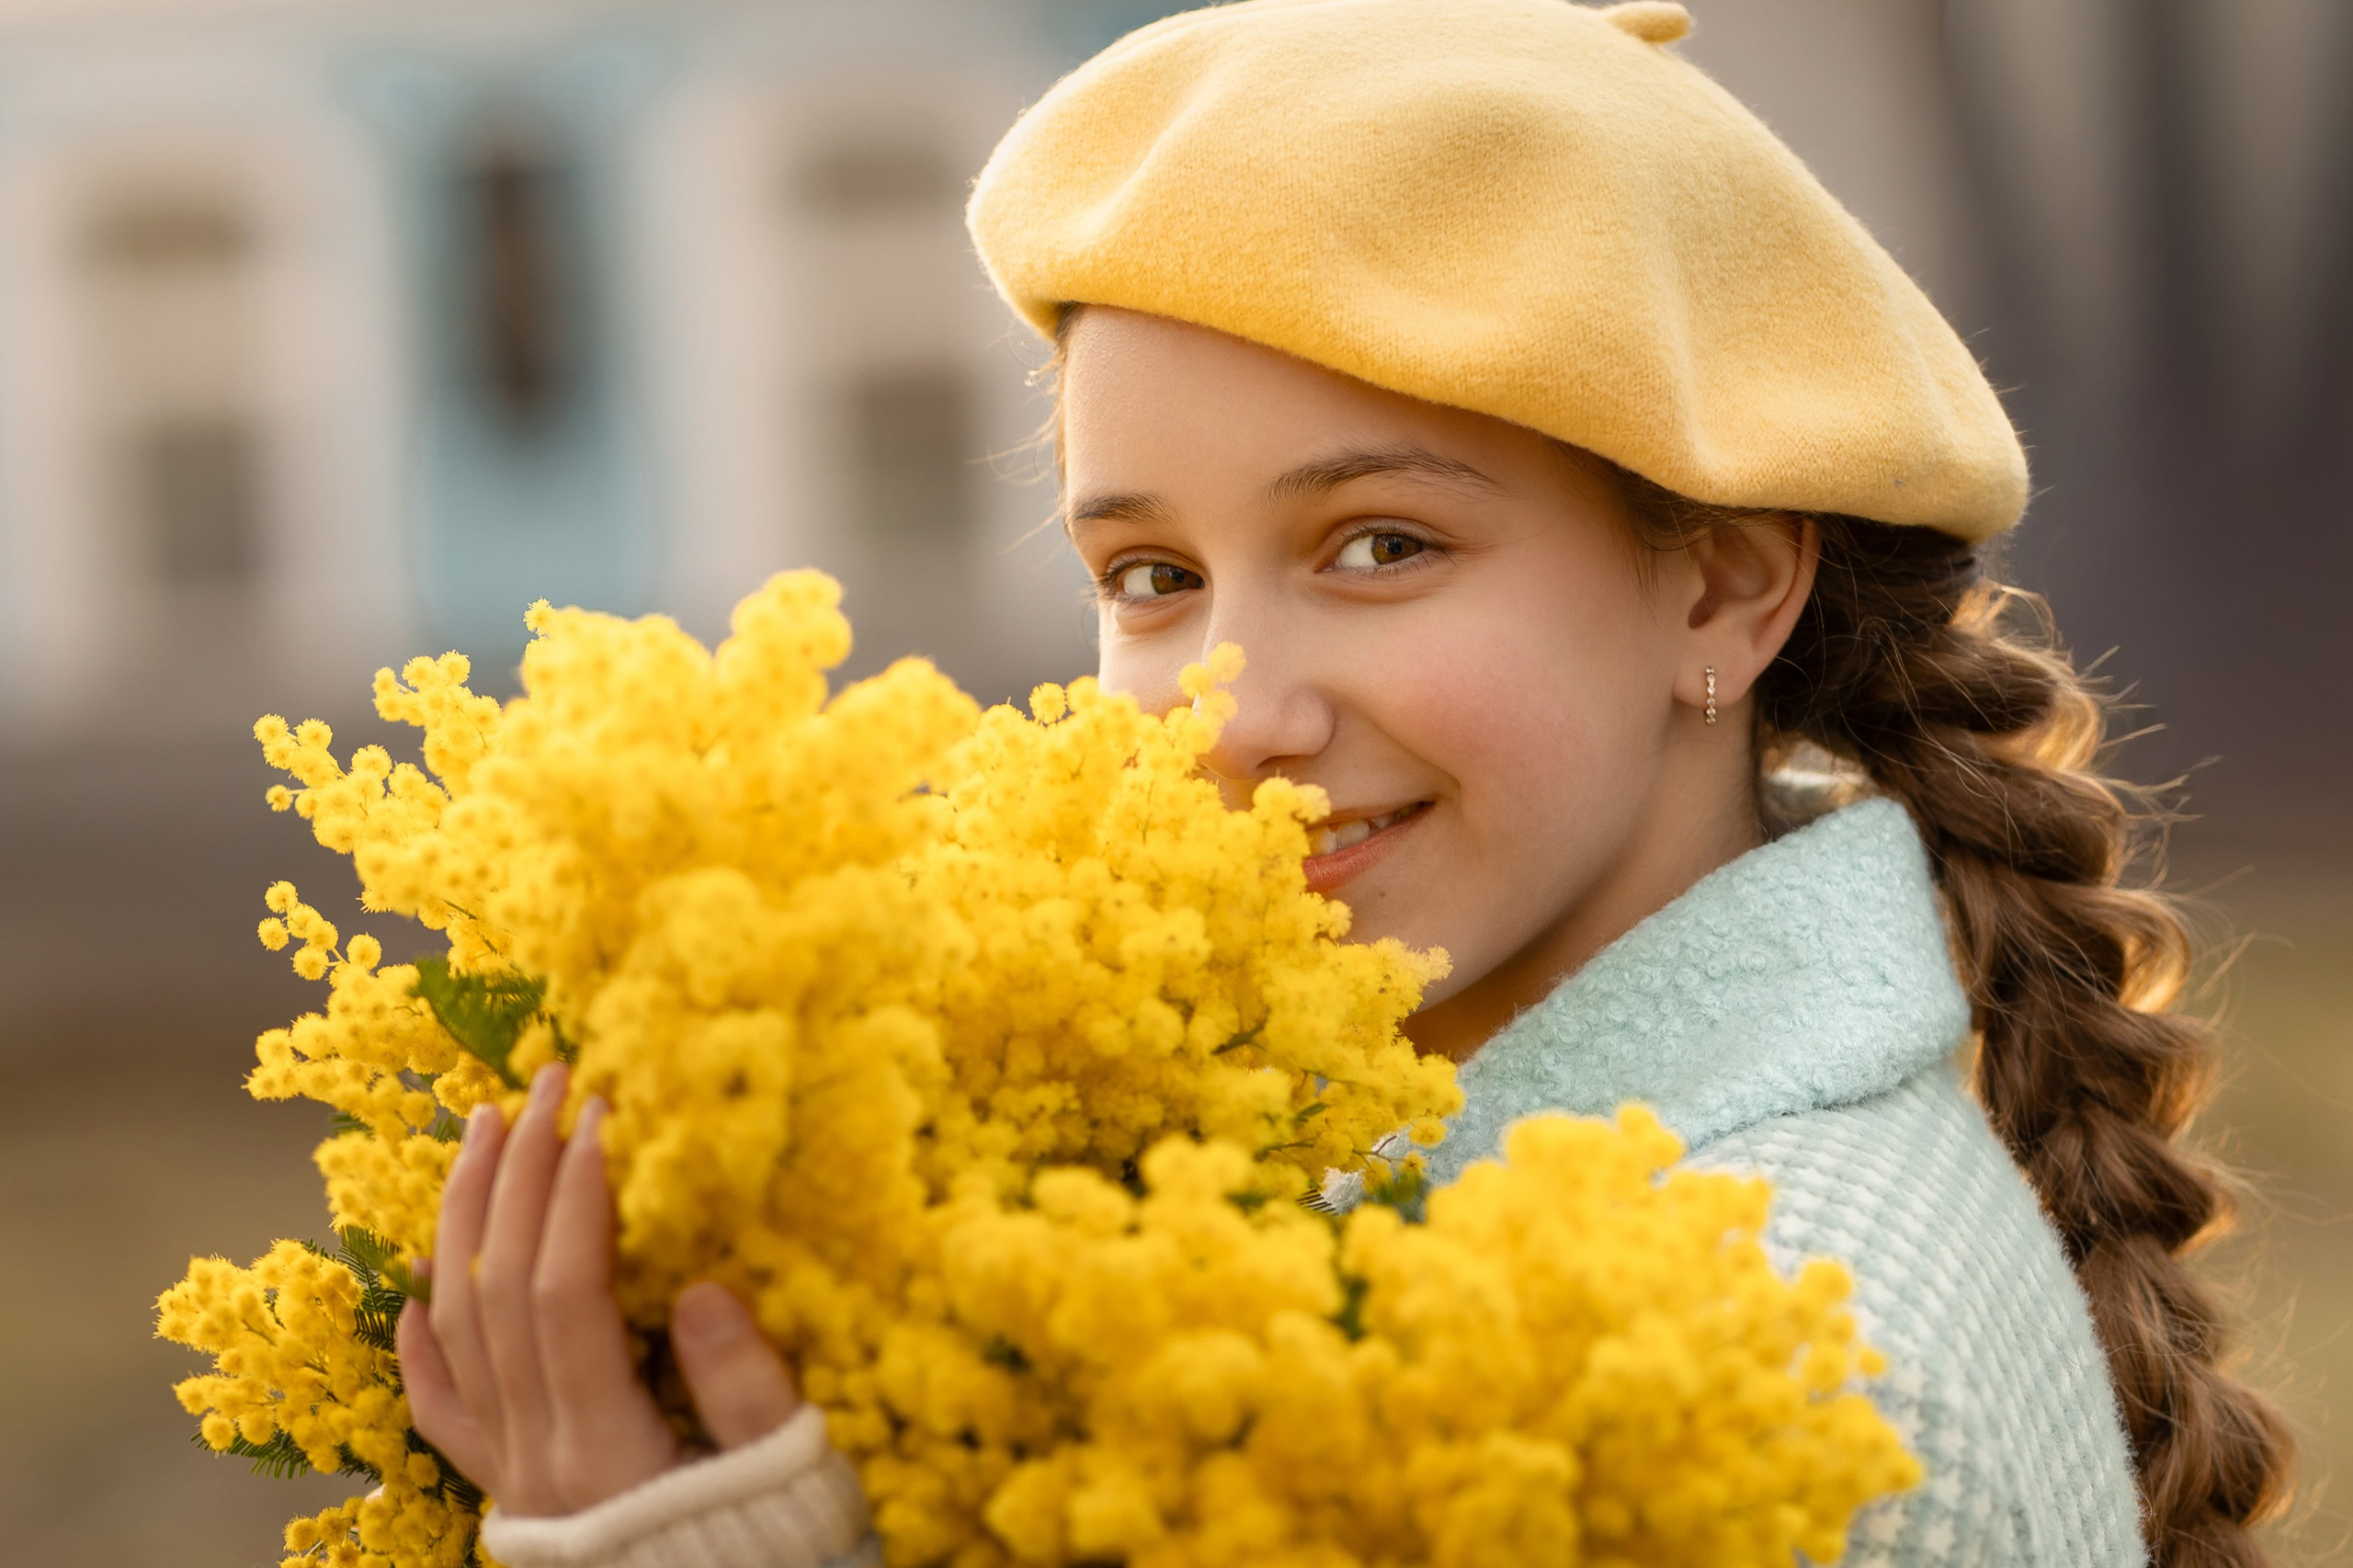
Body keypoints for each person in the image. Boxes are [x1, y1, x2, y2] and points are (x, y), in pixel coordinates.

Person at [398, 3, 2290, 1565]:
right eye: (1148, 577)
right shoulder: (1359, 1197)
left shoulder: (1772, 1360)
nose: (1228, 711)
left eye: (1376, 545)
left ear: (1721, 581)